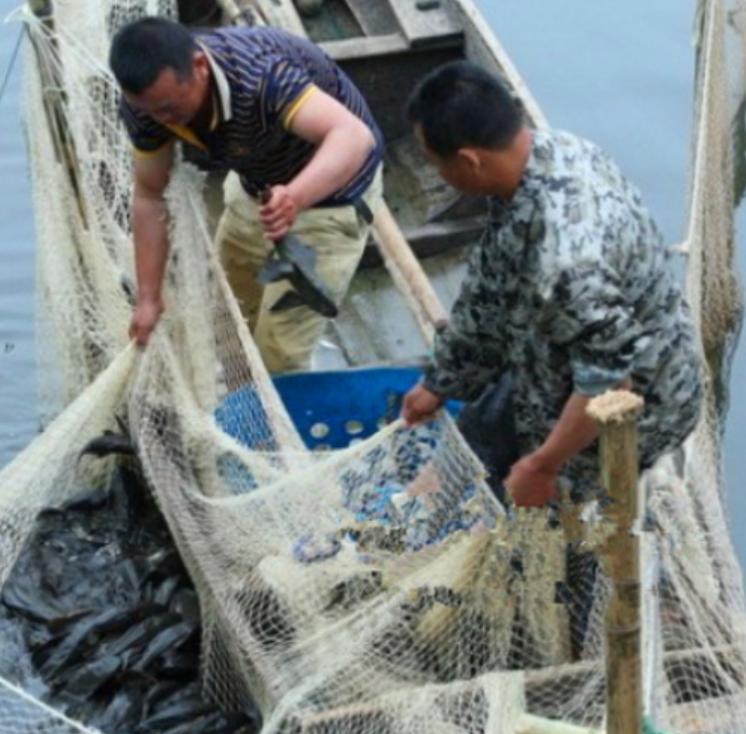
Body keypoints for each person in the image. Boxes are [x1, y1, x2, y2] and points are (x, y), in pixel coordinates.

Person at [400, 60, 702, 508]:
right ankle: (423, 507)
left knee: (558, 524)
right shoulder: (555, 151)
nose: (438, 175)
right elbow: (491, 291)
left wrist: (543, 464)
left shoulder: (565, 260)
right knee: (483, 436)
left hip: (639, 402)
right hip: (563, 348)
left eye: (434, 163)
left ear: (468, 161)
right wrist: (440, 382)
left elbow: (609, 386)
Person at [108, 16, 384, 374]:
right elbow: (149, 195)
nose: (163, 121)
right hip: (257, 183)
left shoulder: (261, 77)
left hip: (331, 192)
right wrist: (148, 298)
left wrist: (296, 197)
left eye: (171, 109)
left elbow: (353, 137)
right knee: (229, 313)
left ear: (200, 67)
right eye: (151, 112)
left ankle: (279, 419)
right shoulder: (146, 107)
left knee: (279, 353)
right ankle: (242, 405)